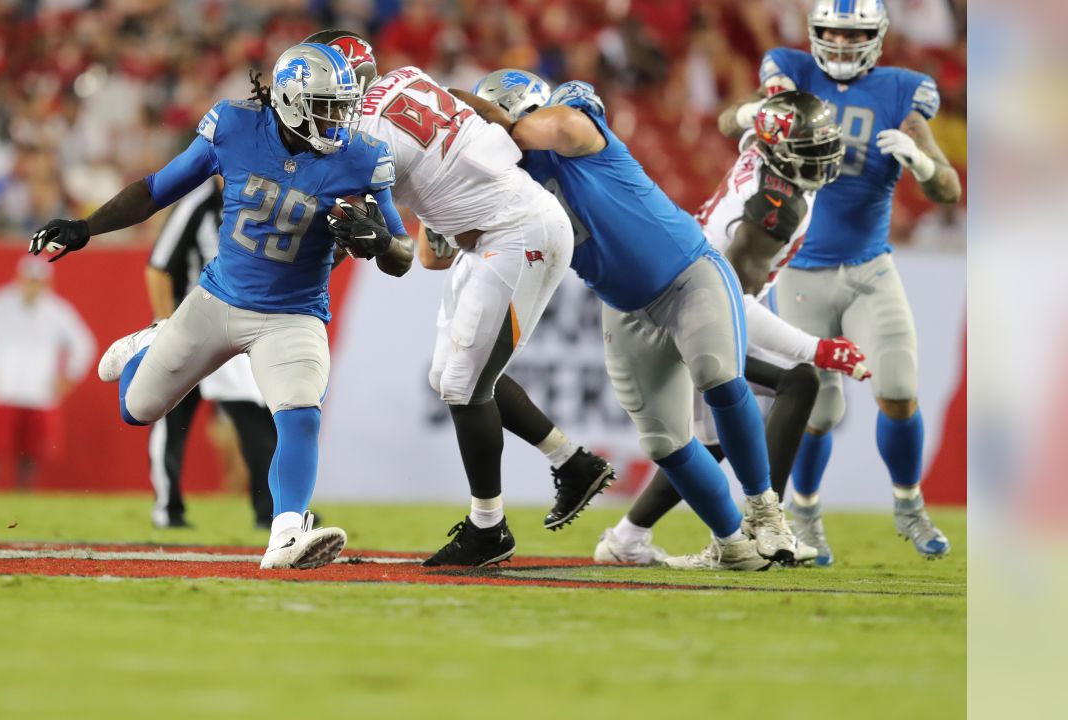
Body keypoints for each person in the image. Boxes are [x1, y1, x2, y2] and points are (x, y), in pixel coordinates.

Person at [28, 44, 414, 570]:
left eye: (343, 105)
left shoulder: (364, 156)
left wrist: (378, 243)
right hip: (217, 299)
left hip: (294, 313)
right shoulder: (234, 126)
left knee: (300, 412)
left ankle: (285, 535)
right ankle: (151, 338)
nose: (340, 118)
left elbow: (402, 255)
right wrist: (86, 227)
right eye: (327, 105)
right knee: (137, 410)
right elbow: (155, 191)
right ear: (293, 102)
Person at [464, 70, 792, 570]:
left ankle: (765, 510)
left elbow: (554, 128)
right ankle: (733, 545)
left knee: (719, 378)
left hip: (688, 274)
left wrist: (452, 108)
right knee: (665, 442)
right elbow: (441, 253)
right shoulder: (505, 183)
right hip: (623, 305)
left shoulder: (570, 127)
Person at [303, 31, 593, 568]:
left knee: (464, 384)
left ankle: (489, 529)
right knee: (451, 376)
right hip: (503, 230)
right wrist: (499, 134)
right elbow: (462, 95)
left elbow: (394, 249)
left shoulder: (361, 136)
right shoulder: (406, 78)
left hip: (514, 232)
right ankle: (571, 461)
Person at [716, 0, 962, 561]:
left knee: (898, 388)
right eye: (831, 32)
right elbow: (728, 120)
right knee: (819, 413)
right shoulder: (790, 70)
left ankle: (909, 505)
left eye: (855, 36)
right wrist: (754, 117)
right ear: (814, 32)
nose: (842, 45)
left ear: (876, 38)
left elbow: (949, 188)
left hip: (870, 268)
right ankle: (805, 512)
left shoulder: (905, 91)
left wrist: (922, 166)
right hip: (801, 270)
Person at [595, 91, 872, 567]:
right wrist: (816, 348)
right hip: (692, 308)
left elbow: (731, 121)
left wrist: (754, 114)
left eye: (824, 146)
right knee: (798, 379)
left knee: (715, 439)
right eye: (809, 150)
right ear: (781, 150)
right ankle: (765, 527)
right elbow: (734, 305)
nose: (822, 159)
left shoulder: (761, 149)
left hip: (687, 297)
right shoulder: (773, 207)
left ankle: (626, 539)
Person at [143, 175, 275, 530]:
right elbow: (158, 266)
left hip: (234, 327)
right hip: (190, 328)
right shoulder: (197, 203)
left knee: (254, 414)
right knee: (170, 418)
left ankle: (271, 510)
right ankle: (168, 508)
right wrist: (164, 324)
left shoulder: (262, 197)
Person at [0, 255, 96, 491]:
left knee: (30, 455)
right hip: (1, 389)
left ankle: (23, 502)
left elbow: (84, 344)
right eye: (29, 280)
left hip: (39, 393)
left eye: (38, 281)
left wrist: (69, 376)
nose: (33, 286)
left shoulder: (57, 311)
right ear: (19, 278)